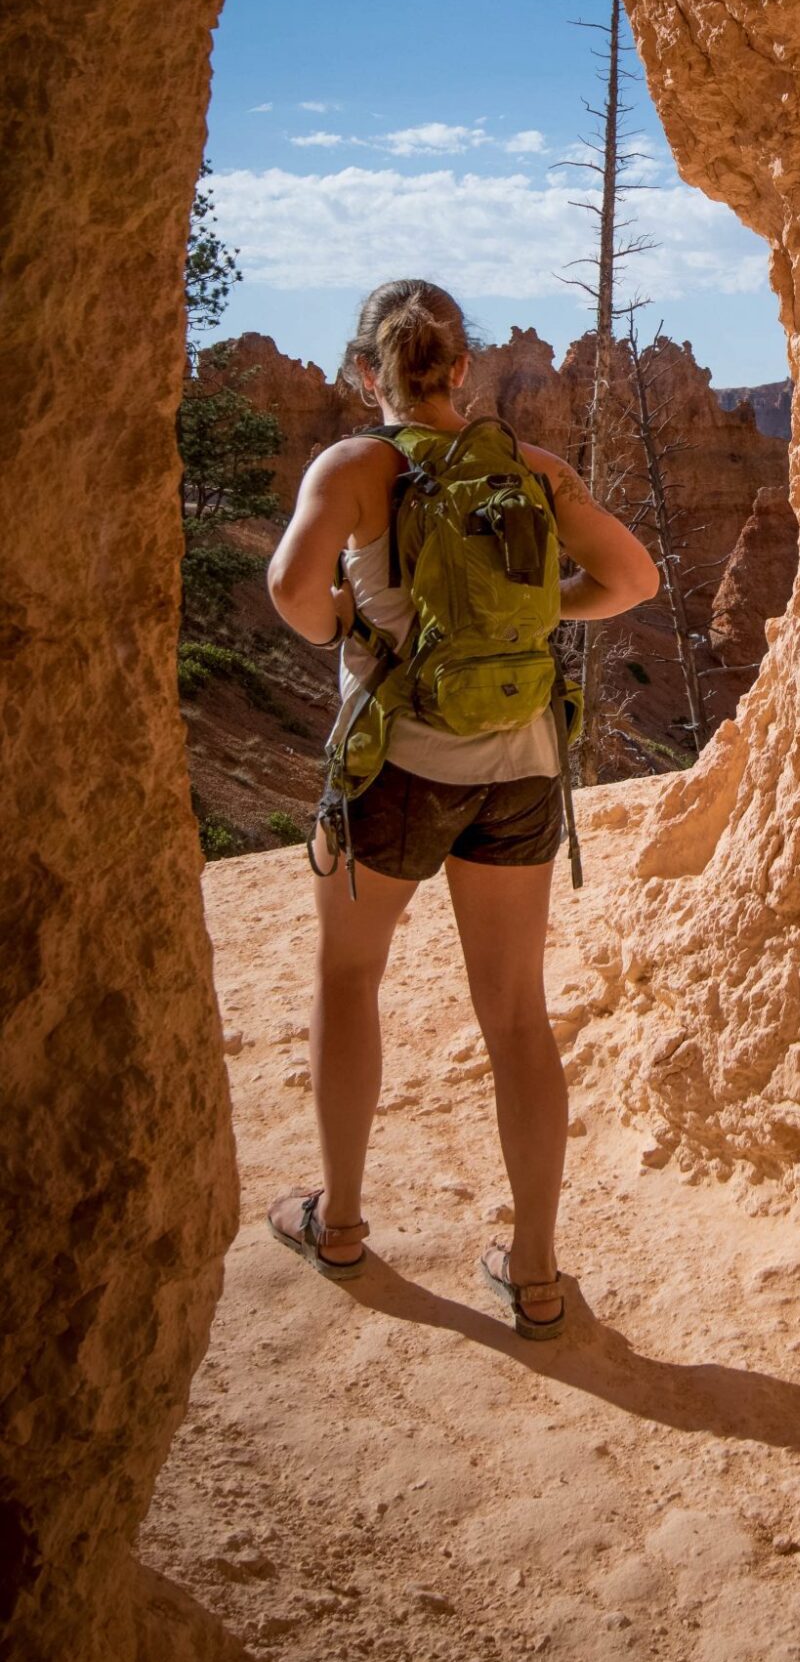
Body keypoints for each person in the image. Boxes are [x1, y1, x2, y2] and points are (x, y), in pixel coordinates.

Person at [263, 280, 657, 1336]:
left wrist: (351, 617)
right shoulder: (530, 469)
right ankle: (533, 1273)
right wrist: (540, 611)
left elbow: (292, 596)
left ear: (366, 374)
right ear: (464, 370)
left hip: (399, 764)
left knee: (349, 976)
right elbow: (631, 578)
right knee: (517, 1015)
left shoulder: (353, 467)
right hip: (521, 768)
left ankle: (339, 1221)